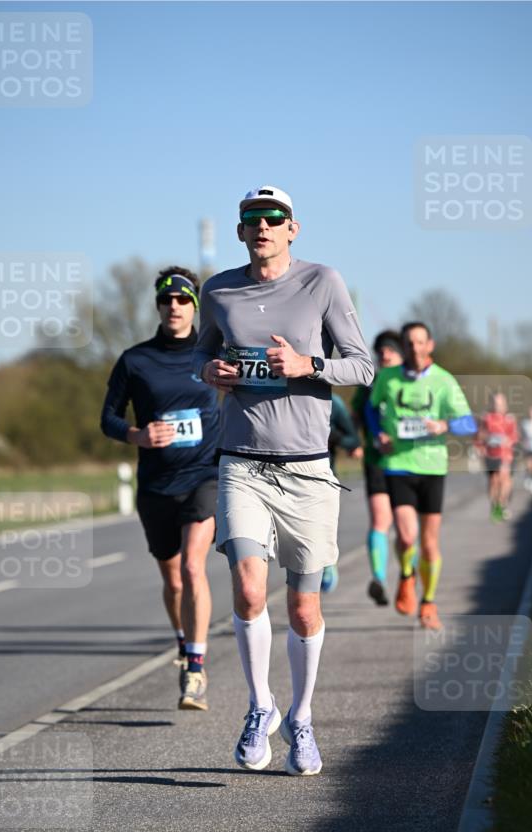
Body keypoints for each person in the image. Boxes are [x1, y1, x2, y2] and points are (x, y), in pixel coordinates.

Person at [194, 185, 373, 776]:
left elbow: (362, 364)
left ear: (293, 228)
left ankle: (301, 717)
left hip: (307, 469)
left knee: (302, 608)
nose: (263, 227)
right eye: (253, 219)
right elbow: (203, 358)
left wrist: (308, 365)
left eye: (274, 218)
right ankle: (259, 705)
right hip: (241, 460)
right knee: (248, 590)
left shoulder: (322, 281)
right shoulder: (217, 289)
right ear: (241, 230)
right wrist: (214, 372)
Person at [101, 267, 220, 711]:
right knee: (173, 581)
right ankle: (182, 638)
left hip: (203, 476)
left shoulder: (213, 353)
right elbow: (108, 418)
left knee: (193, 568)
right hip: (155, 485)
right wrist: (137, 436)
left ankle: (195, 667)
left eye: (183, 300)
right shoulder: (135, 360)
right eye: (167, 300)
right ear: (158, 306)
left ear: (195, 307)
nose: (175, 306)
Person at [367, 322, 476, 631]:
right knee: (405, 536)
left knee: (429, 543)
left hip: (432, 467)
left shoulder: (444, 381)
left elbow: (469, 423)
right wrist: (378, 436)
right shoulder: (387, 377)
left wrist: (445, 426)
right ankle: (405, 576)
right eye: (409, 343)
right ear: (404, 346)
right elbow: (372, 410)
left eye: (419, 342)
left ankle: (428, 602)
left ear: (430, 345)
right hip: (398, 464)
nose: (414, 348)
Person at [351, 330, 403, 605]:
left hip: (409, 463)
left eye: (391, 349)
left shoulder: (411, 382)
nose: (385, 353)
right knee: (381, 521)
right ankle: (379, 579)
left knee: (407, 529)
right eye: (381, 349)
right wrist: (351, 440)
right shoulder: (368, 383)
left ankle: (407, 576)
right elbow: (354, 417)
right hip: (376, 461)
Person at [320, 393, 363, 594]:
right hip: (279, 475)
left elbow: (352, 439)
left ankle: (326, 563)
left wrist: (329, 435)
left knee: (320, 529)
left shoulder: (333, 402)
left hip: (322, 475)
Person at [475, 391, 519, 521]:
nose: (498, 405)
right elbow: (478, 436)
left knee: (505, 479)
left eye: (500, 403)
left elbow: (515, 436)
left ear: (505, 403)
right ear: (491, 403)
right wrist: (481, 445)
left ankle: (502, 504)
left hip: (506, 453)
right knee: (494, 480)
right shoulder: (486, 418)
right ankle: (494, 506)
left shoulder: (510, 418)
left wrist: (508, 440)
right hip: (490, 453)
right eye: (495, 402)